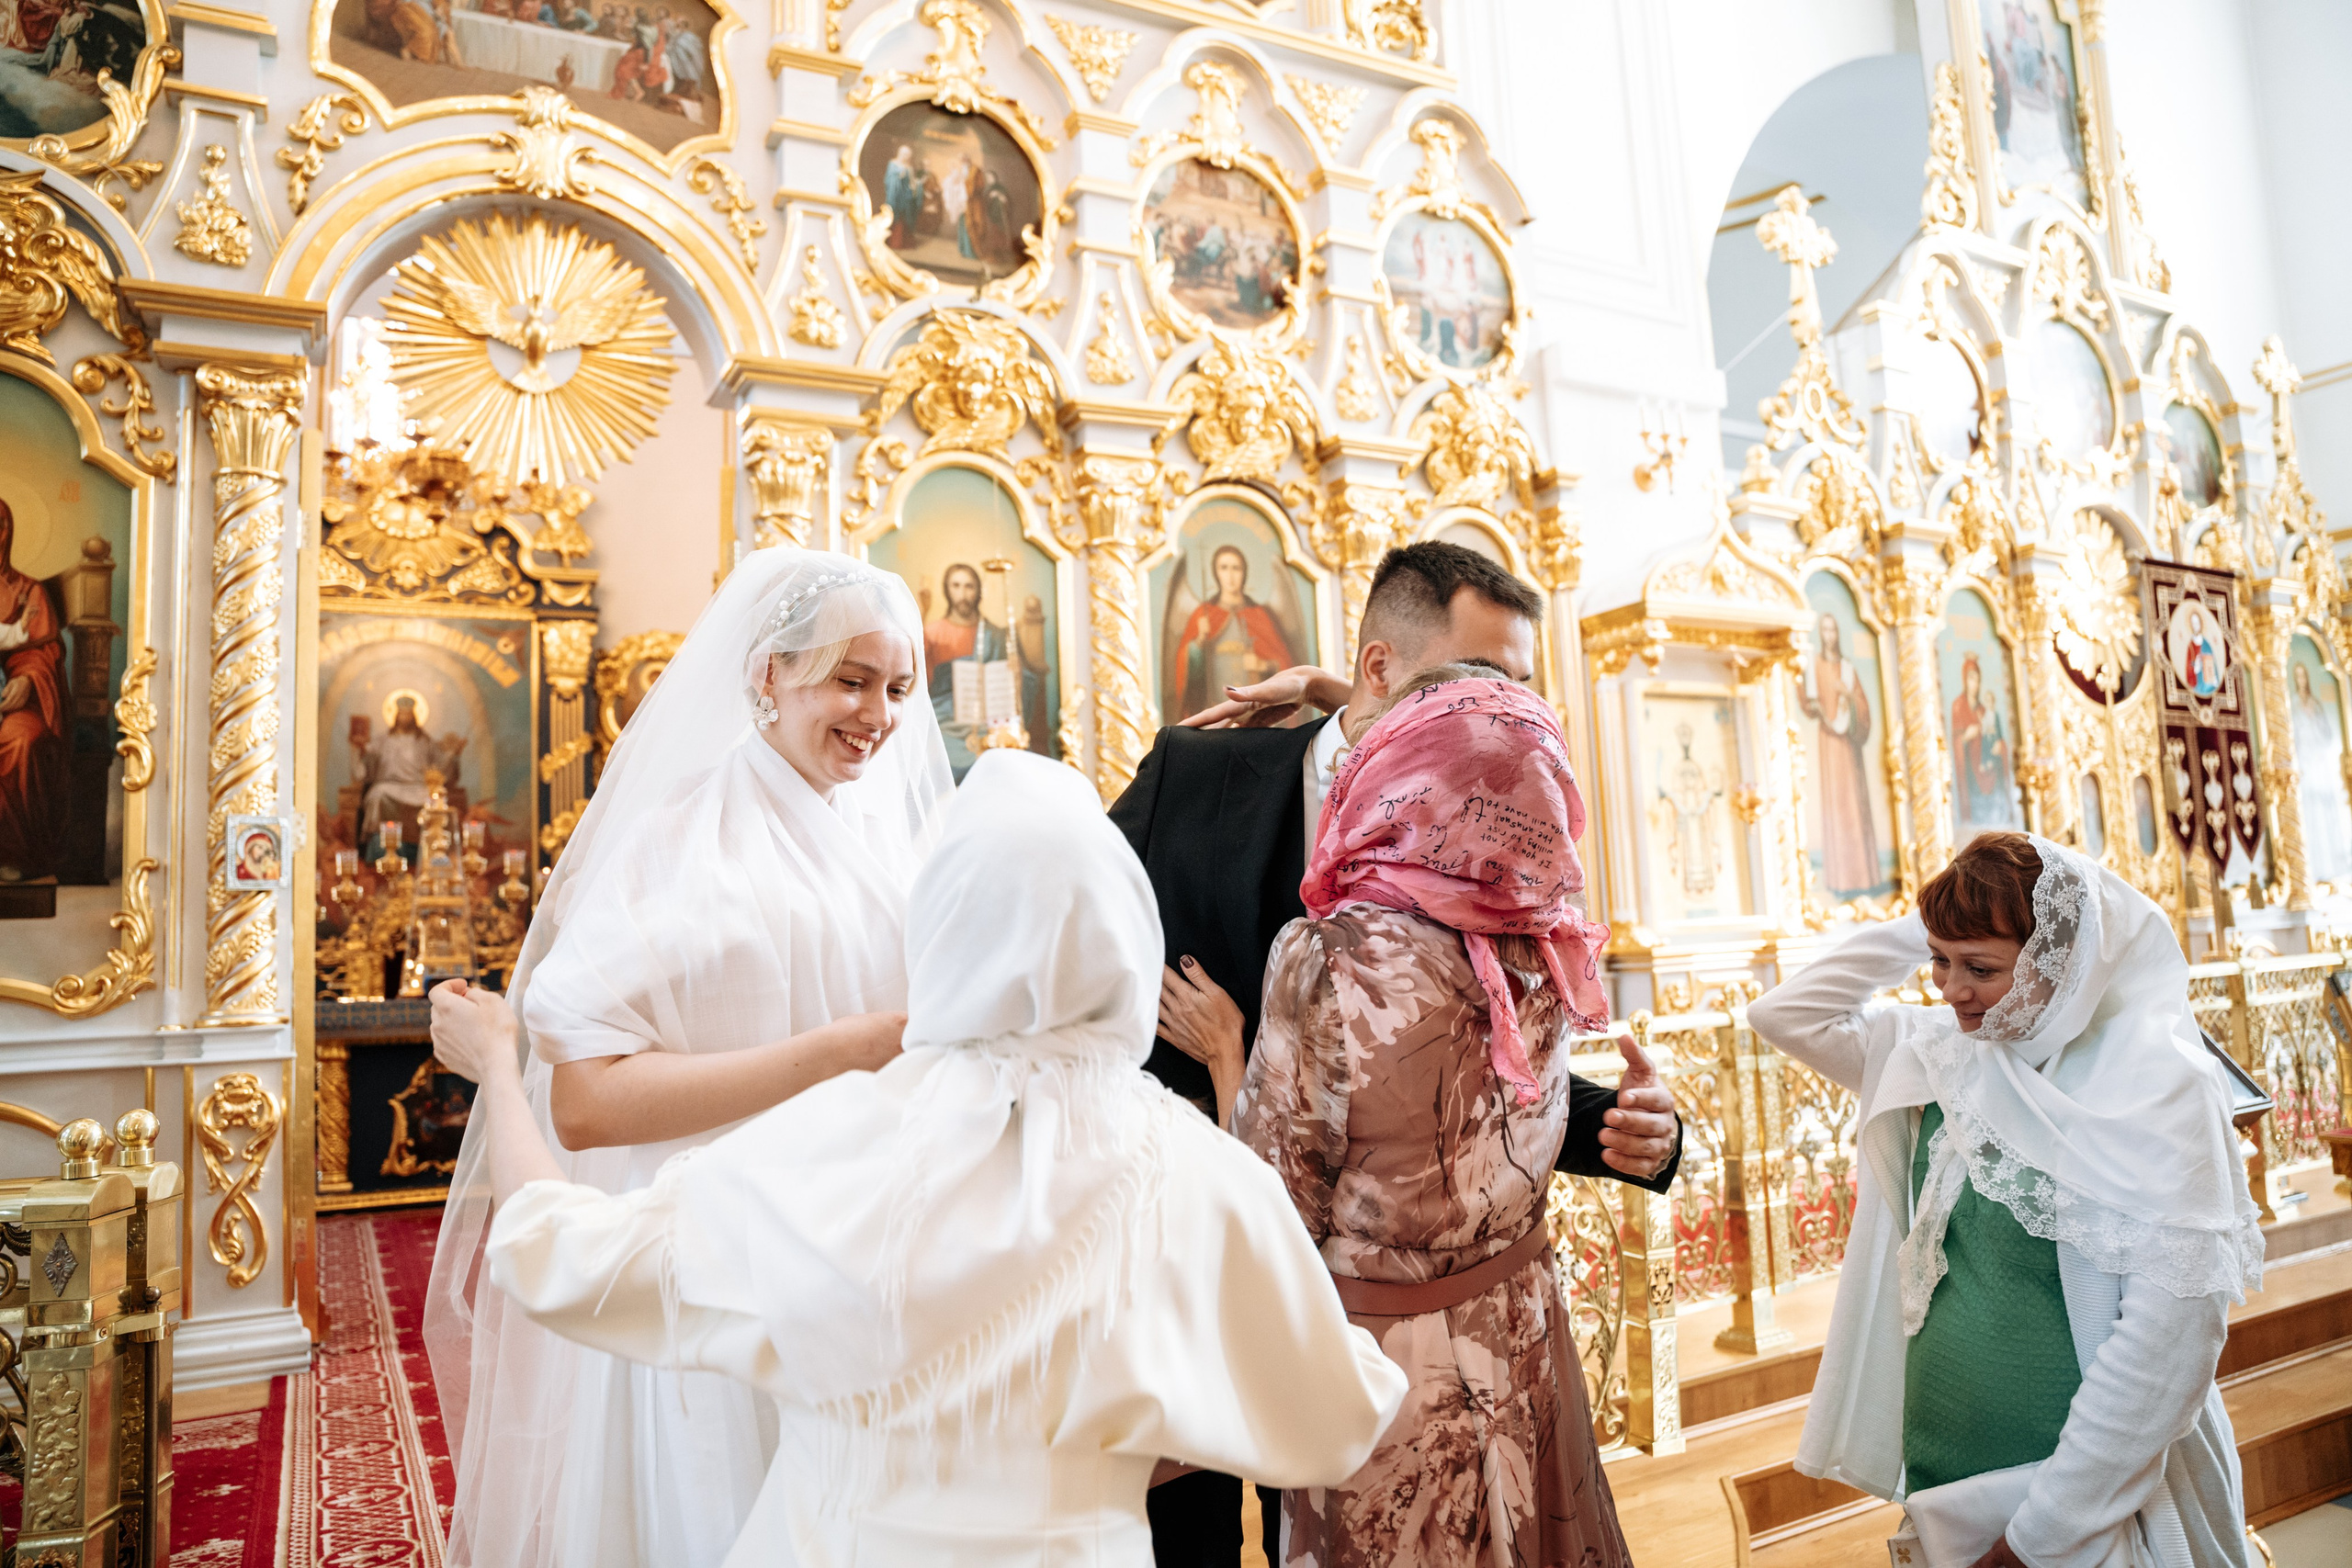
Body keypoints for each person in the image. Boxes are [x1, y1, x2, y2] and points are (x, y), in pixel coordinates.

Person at [425, 750, 1410, 1568]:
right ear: (1123, 927)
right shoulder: (1203, 1174)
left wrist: (500, 1073)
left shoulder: (829, 1141)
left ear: (940, 926)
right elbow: (1332, 1421)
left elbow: (556, 1257)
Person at [1111, 541, 1681, 1565]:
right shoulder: (1192, 778)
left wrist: (1630, 1129)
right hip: (1188, 1266)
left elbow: (1483, 1062)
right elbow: (1076, 973)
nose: (1503, 713)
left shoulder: (1514, 879)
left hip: (1376, 1320)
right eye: (1477, 678)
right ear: (1381, 669)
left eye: (1515, 685)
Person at [424, 551, 955, 1568]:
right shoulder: (680, 842)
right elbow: (583, 1105)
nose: (878, 714)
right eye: (849, 680)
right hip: (713, 1270)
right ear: (767, 676)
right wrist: (839, 1053)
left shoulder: (888, 838)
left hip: (861, 1259)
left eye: (896, 688)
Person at [1747, 832, 2261, 1568]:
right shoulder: (1940, 1050)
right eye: (1938, 962)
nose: (1950, 989)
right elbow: (1786, 1014)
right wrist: (1949, 909)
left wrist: (2038, 1538)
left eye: (1980, 967)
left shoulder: (2160, 1086)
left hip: (2084, 1511)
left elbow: (2167, 1348)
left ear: (2062, 959)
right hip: (1948, 1478)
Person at [0, 499, 65, 888]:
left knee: (19, 740)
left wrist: (27, 679)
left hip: (15, 695)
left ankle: (13, 854)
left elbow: (44, 649)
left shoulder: (28, 591)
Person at [1803, 611, 1883, 899]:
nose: (1829, 636)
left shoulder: (1848, 668)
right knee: (1837, 809)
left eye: (1833, 630)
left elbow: (1862, 706)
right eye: (1824, 630)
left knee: (1855, 809)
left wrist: (1847, 696)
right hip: (1829, 746)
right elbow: (1808, 702)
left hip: (1850, 748)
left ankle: (1864, 877)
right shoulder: (1814, 666)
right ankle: (1839, 880)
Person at [1167, 545, 1295, 721]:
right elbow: (1186, 668)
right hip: (1214, 710)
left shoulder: (1259, 615)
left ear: (1244, 573)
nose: (1230, 576)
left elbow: (1285, 665)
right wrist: (1200, 641)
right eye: (1224, 568)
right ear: (1216, 573)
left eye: (1236, 568)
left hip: (1256, 715)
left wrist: (1263, 666)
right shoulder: (1204, 614)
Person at [359, 694, 463, 840]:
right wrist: (361, 750)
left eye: (408, 714)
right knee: (377, 796)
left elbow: (440, 767)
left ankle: (431, 842)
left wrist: (453, 754)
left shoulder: (425, 741)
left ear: (414, 716)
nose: (405, 718)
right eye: (402, 714)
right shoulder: (383, 740)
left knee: (434, 800)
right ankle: (378, 840)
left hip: (418, 788)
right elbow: (367, 765)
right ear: (396, 716)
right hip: (389, 786)